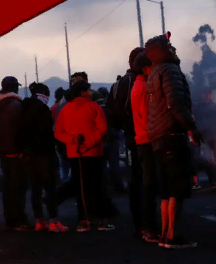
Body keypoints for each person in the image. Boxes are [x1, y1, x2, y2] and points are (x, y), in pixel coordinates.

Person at [145, 35, 200, 249]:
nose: (174, 49)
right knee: (177, 187)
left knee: (166, 189)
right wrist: (191, 127)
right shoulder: (170, 71)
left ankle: (165, 235)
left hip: (158, 137)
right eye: (169, 47)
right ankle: (173, 235)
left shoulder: (153, 73)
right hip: (172, 136)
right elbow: (176, 103)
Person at [54, 80, 112, 232]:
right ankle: (100, 220)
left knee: (80, 188)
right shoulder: (95, 107)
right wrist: (89, 143)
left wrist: (73, 141)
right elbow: (103, 129)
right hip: (94, 152)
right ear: (83, 92)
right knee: (97, 186)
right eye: (88, 90)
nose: (90, 92)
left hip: (74, 154)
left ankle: (83, 220)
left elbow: (58, 133)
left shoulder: (65, 110)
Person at [19, 82, 69, 232]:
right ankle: (54, 221)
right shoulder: (42, 109)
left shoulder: (24, 108)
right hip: (45, 153)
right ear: (42, 93)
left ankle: (39, 221)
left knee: (35, 188)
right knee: (50, 187)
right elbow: (46, 133)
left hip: (30, 154)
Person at [111, 48, 144, 236]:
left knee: (135, 176)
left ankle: (137, 219)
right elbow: (129, 109)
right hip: (138, 133)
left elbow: (113, 111)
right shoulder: (133, 81)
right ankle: (143, 221)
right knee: (142, 177)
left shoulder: (118, 84)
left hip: (129, 134)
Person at [0, 76, 29, 231]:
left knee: (8, 186)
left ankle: (10, 219)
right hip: (16, 152)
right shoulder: (17, 105)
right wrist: (22, 151)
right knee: (19, 186)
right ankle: (19, 219)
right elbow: (21, 130)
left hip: (3, 151)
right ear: (14, 88)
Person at [130, 51, 159, 243]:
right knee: (149, 186)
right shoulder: (143, 87)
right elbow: (148, 113)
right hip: (148, 140)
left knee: (147, 184)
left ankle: (146, 226)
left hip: (141, 139)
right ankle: (149, 228)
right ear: (144, 68)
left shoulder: (137, 85)